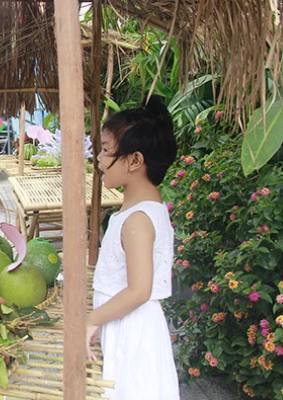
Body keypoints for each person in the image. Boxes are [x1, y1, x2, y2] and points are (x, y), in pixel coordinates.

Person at [86, 95, 180, 399]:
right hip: (126, 325)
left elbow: (139, 290)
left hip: (135, 334)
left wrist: (91, 319)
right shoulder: (139, 209)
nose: (98, 158)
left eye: (106, 150)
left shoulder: (138, 220)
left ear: (135, 160)